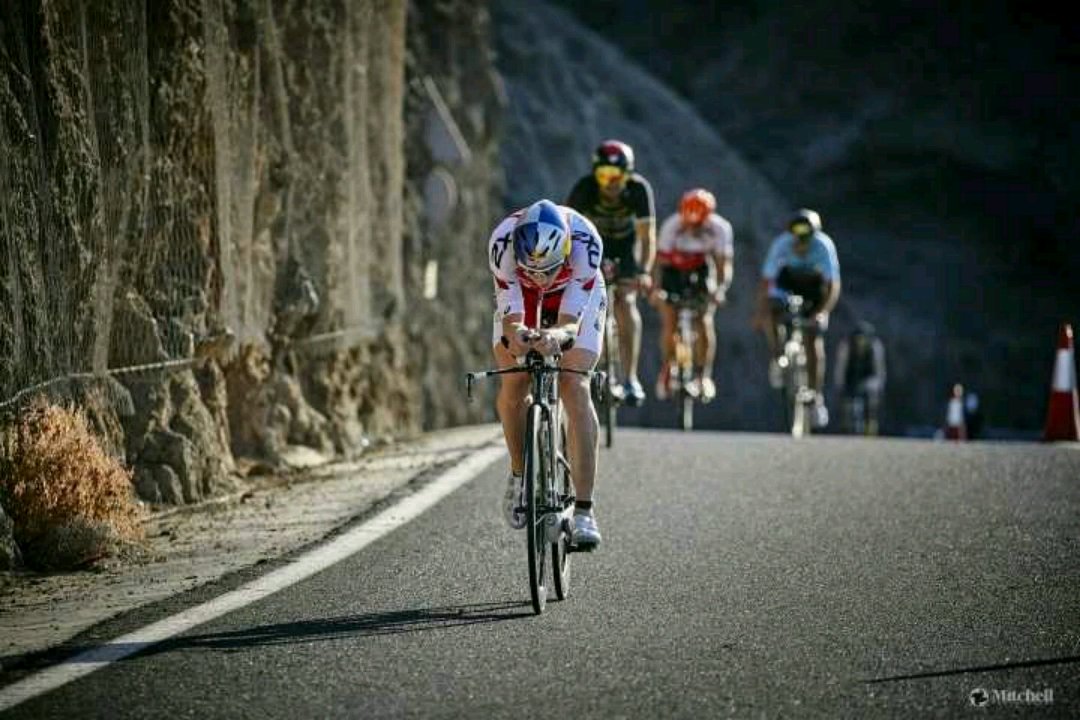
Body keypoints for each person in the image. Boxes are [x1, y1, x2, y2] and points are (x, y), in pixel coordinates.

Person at [488, 198, 605, 549]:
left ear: (566, 251)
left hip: (574, 295)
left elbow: (570, 324)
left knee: (574, 383)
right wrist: (519, 337)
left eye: (547, 270)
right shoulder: (501, 244)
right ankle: (519, 474)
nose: (541, 278)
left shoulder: (586, 244)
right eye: (533, 270)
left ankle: (584, 511)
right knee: (514, 380)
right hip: (521, 296)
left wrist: (557, 335)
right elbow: (512, 321)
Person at [566, 139, 656, 406]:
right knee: (592, 304)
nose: (611, 183)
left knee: (626, 303)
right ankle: (593, 366)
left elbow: (648, 237)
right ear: (596, 174)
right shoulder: (584, 188)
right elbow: (567, 230)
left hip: (625, 248)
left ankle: (630, 377)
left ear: (628, 175)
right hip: (593, 246)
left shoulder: (639, 190)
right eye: (604, 175)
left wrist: (644, 271)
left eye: (618, 176)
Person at [752, 208, 841, 428]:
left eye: (805, 240)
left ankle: (815, 396)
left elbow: (832, 285)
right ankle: (778, 355)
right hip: (788, 284)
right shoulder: (781, 244)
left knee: (813, 338)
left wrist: (823, 312)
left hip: (814, 289)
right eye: (796, 239)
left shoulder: (823, 245)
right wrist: (761, 313)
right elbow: (767, 281)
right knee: (772, 309)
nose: (800, 246)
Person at [650, 188, 733, 403]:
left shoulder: (720, 229)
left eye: (697, 224)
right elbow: (659, 263)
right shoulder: (672, 226)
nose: (692, 227)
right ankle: (668, 366)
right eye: (688, 223)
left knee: (704, 319)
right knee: (669, 319)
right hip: (673, 271)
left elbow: (723, 265)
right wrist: (656, 289)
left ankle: (703, 375)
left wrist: (720, 290)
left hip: (701, 269)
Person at [833, 320, 886, 434]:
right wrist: (840, 385)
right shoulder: (846, 346)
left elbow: (879, 368)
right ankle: (846, 425)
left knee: (870, 398)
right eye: (858, 339)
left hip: (868, 377)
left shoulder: (875, 346)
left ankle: (870, 424)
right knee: (847, 400)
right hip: (851, 377)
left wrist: (879, 387)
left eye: (863, 339)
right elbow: (841, 367)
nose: (861, 342)